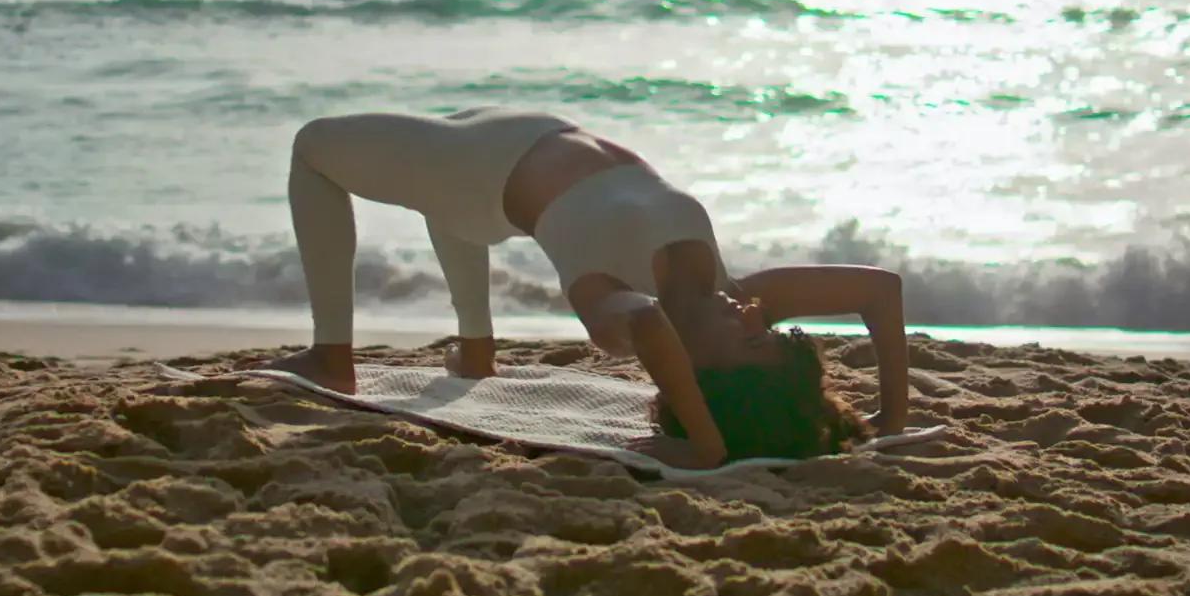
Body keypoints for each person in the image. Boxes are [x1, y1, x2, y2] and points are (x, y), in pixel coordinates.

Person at [267, 107, 913, 468]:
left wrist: (707, 442)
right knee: (443, 197)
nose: (752, 318)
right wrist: (892, 414)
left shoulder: (611, 307)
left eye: (749, 344)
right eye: (764, 331)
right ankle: (476, 349)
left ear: (703, 375)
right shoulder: (737, 292)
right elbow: (880, 292)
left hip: (476, 171)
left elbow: (649, 329)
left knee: (312, 147)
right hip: (508, 143)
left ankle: (332, 357)